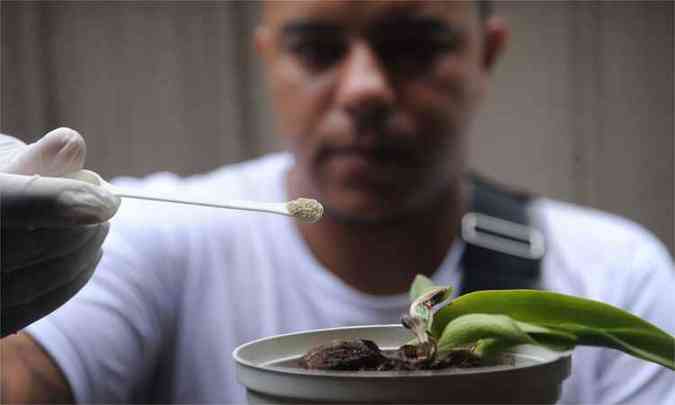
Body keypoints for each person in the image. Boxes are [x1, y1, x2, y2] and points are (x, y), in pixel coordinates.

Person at [2, 1, 674, 403]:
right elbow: (25, 374)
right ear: (268, 57)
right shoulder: (149, 233)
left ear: (485, 55)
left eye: (414, 47)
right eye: (318, 48)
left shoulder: (613, 273)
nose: (363, 89)